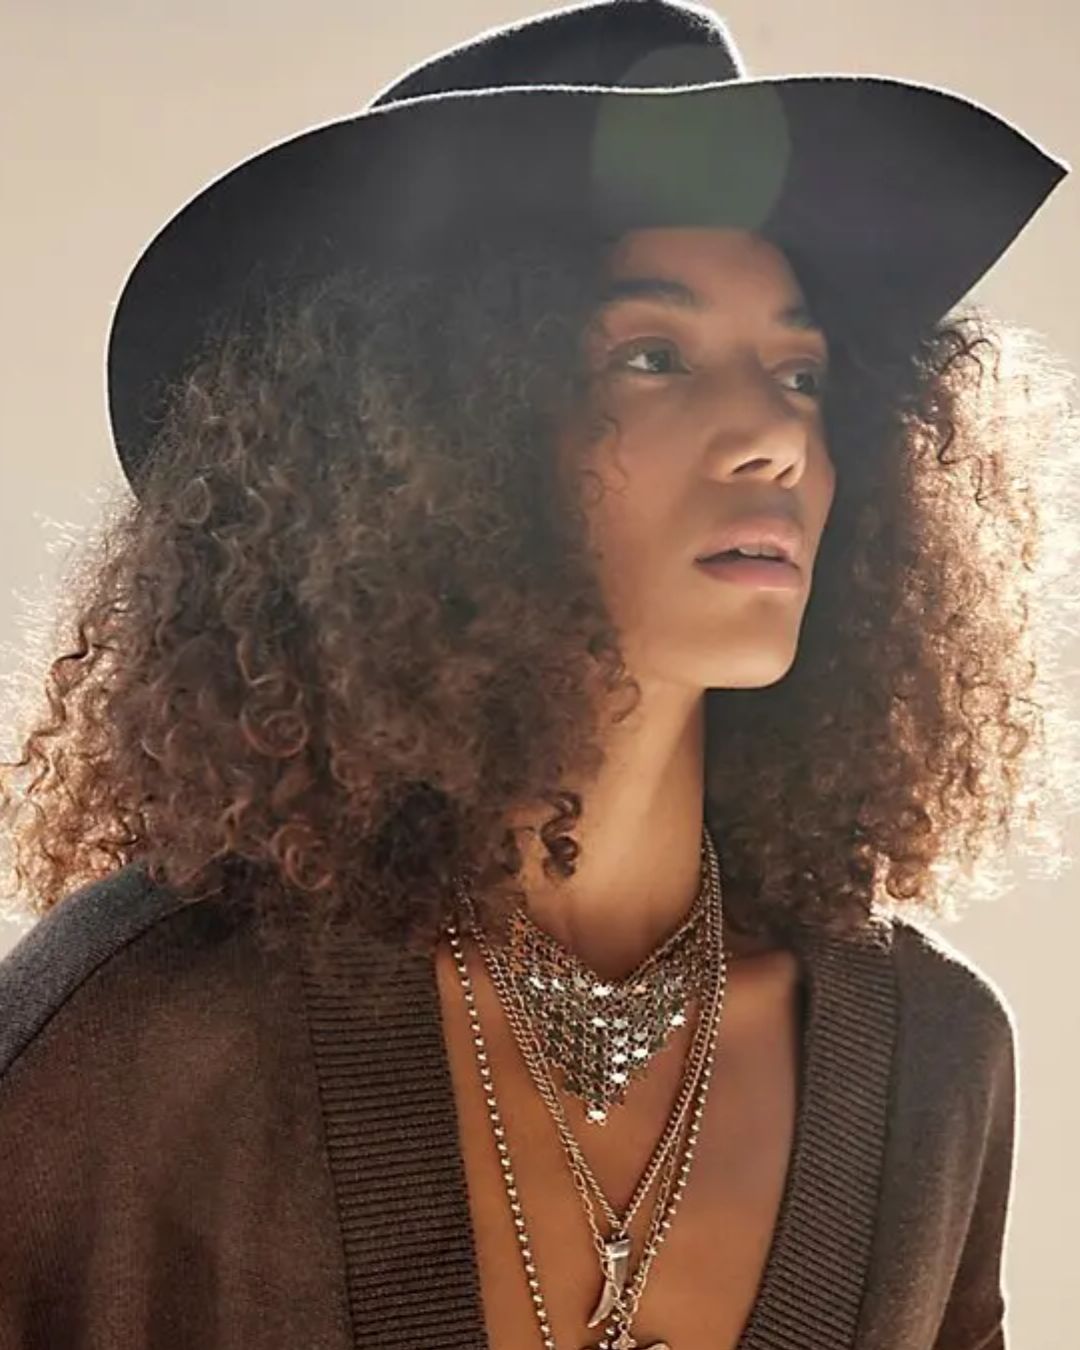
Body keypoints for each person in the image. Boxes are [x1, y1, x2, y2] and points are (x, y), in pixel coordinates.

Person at [1, 2, 1077, 1348]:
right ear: (438, 443)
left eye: (800, 372)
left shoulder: (933, 1059)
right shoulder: (142, 1037)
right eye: (651, 355)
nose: (769, 437)